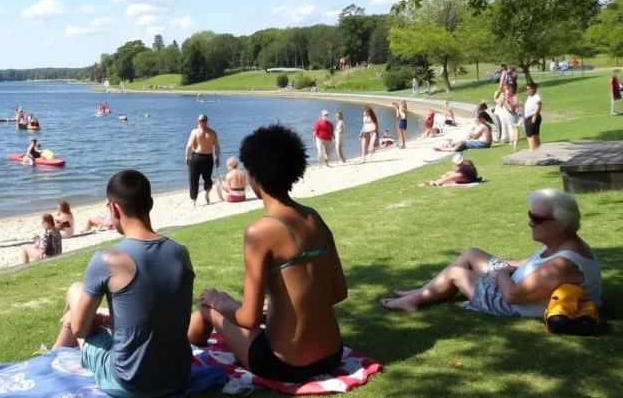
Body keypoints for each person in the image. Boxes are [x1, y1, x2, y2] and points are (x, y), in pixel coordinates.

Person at [187, 124, 346, 383]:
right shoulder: (314, 218)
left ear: (253, 176)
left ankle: (178, 353)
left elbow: (248, 319)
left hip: (284, 363)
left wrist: (218, 302)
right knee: (227, 302)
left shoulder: (259, 231)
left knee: (208, 305)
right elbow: (339, 292)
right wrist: (278, 308)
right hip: (332, 354)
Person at [52, 170, 195, 397]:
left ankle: (53, 355)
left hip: (128, 383)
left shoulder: (108, 260)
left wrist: (80, 318)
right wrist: (109, 318)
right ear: (150, 204)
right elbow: (159, 307)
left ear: (114, 208)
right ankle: (55, 350)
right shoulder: (180, 253)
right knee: (82, 306)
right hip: (178, 376)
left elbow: (80, 329)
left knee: (75, 293)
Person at [381, 189, 602, 316]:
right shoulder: (562, 243)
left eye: (537, 219)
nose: (530, 222)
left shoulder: (563, 263)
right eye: (530, 215)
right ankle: (422, 291)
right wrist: (505, 265)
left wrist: (500, 273)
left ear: (563, 223)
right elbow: (530, 264)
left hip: (512, 303)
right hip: (513, 281)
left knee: (457, 273)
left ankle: (413, 301)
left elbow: (512, 296)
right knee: (472, 253)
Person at [185, 114, 221, 206]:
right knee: (194, 179)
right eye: (199, 120)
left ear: (206, 121)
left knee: (208, 179)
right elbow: (189, 146)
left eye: (202, 120)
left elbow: (217, 146)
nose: (200, 122)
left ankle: (206, 194)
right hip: (196, 156)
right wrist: (187, 156)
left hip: (208, 157)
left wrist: (217, 158)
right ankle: (194, 199)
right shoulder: (195, 132)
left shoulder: (213, 132)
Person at [524, 82, 543, 150]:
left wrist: (535, 115)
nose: (528, 90)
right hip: (529, 117)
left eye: (529, 89)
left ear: (534, 89)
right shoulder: (530, 97)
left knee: (530, 135)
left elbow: (539, 106)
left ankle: (532, 149)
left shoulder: (536, 96)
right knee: (535, 135)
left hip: (532, 117)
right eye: (527, 89)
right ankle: (538, 149)